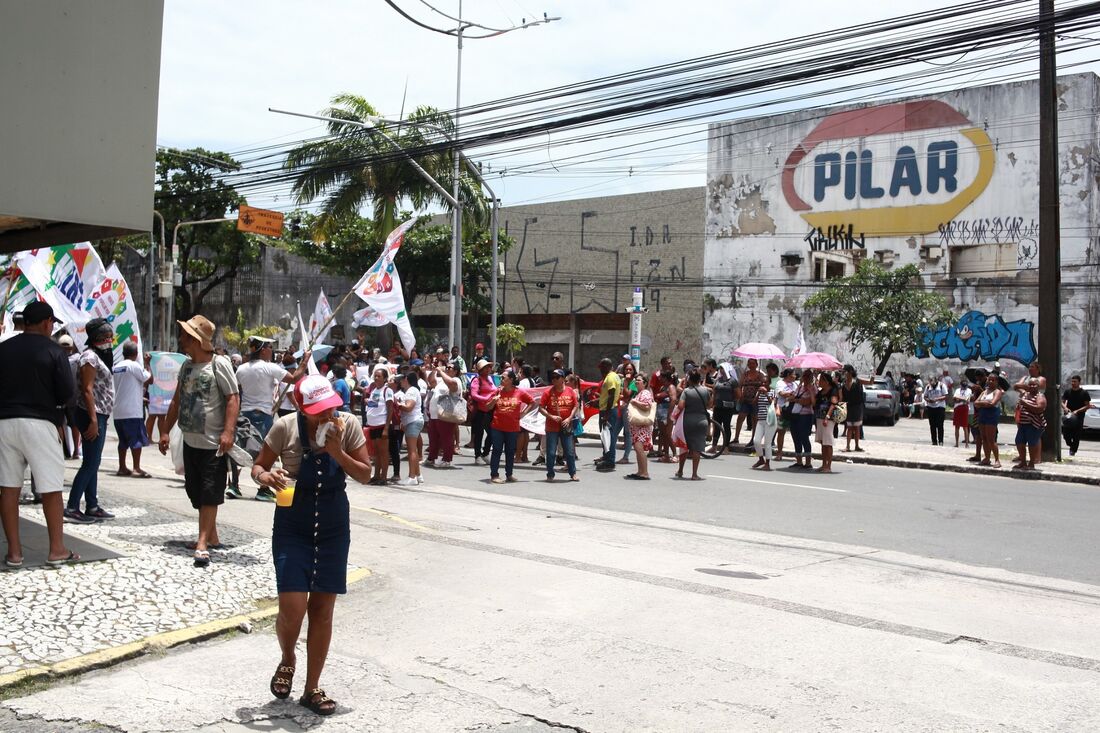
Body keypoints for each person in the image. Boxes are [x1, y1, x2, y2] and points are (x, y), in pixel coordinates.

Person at [251, 374, 372, 716]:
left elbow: (365, 473)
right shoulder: (284, 428)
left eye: (330, 409)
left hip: (333, 525)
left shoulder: (347, 426)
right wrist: (266, 477)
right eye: (318, 411)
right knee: (292, 609)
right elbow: (257, 466)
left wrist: (338, 453)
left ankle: (311, 687)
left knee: (322, 610)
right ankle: (288, 656)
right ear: (301, 408)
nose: (326, 417)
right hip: (293, 524)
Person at [1, 302, 84, 567]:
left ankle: (14, 553)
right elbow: (68, 394)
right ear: (47, 322)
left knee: (9, 489)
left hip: (5, 423)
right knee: (50, 488)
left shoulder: (3, 349)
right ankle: (56, 549)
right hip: (41, 422)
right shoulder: (53, 350)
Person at [158, 315, 240, 567]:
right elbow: (176, 400)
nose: (180, 338)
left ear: (195, 339)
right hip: (190, 440)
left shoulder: (220, 364)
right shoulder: (186, 366)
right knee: (195, 492)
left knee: (209, 494)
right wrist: (164, 430)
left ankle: (202, 542)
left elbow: (232, 398)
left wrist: (228, 432)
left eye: (184, 335)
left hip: (213, 444)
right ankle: (212, 535)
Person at [233, 337, 306, 501]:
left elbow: (236, 389)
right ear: (263, 349)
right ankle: (263, 489)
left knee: (240, 449)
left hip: (244, 413)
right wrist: (305, 362)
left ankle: (233, 485)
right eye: (270, 347)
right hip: (263, 414)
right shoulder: (270, 368)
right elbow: (294, 378)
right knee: (266, 452)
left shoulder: (241, 369)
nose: (272, 351)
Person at [66, 318, 117, 522]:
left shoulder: (99, 355)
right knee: (90, 463)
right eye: (106, 337)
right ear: (97, 338)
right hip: (91, 414)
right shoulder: (89, 357)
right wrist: (94, 420)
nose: (110, 340)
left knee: (93, 462)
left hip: (99, 413)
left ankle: (92, 504)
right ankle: (72, 506)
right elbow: (87, 390)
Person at [111, 342, 153, 478]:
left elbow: (127, 387)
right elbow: (150, 379)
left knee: (122, 441)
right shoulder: (134, 366)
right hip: (132, 411)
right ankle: (136, 468)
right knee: (136, 440)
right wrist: (148, 364)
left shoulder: (116, 367)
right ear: (136, 354)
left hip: (118, 411)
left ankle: (122, 467)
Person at [487, 369, 534, 484]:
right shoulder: (497, 391)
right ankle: (494, 475)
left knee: (510, 451)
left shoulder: (519, 392)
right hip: (497, 426)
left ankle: (509, 474)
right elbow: (488, 407)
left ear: (511, 380)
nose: (501, 380)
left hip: (512, 428)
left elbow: (532, 402)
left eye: (503, 378)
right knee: (497, 450)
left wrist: (523, 413)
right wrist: (493, 401)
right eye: (500, 378)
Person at [538, 369, 580, 482]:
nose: (554, 379)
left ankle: (573, 473)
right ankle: (550, 474)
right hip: (552, 427)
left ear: (562, 379)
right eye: (553, 377)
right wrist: (551, 417)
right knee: (551, 452)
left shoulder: (570, 391)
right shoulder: (548, 392)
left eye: (557, 377)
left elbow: (576, 405)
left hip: (566, 426)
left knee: (570, 452)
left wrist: (569, 418)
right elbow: (540, 408)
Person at [674, 369, 711, 480]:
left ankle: (680, 470)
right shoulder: (705, 391)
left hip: (688, 421)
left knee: (684, 447)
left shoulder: (686, 391)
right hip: (702, 421)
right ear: (700, 379)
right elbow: (709, 405)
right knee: (697, 449)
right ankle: (694, 474)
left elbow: (680, 406)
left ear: (689, 379)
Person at [360, 366, 393, 486]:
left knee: (383, 452)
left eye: (379, 376)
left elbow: (390, 408)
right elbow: (375, 405)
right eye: (375, 376)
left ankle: (383, 477)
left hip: (381, 425)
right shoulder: (374, 390)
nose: (376, 378)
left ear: (385, 378)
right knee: (376, 453)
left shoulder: (387, 390)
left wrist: (386, 428)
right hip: (372, 425)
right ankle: (376, 475)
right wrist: (368, 401)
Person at [395, 371, 424, 486]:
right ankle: (418, 475)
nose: (400, 382)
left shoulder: (411, 391)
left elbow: (409, 407)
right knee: (413, 450)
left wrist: (398, 404)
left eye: (402, 379)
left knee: (411, 450)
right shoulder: (411, 391)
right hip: (412, 421)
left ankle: (412, 477)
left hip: (413, 421)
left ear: (406, 379)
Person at [625, 373, 654, 480]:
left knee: (639, 449)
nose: (636, 381)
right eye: (636, 380)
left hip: (642, 427)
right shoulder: (639, 393)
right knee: (638, 449)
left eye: (639, 380)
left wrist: (635, 402)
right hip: (638, 427)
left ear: (645, 383)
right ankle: (640, 471)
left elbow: (647, 406)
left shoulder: (645, 393)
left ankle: (644, 472)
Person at [595, 358, 622, 472]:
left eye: (601, 367)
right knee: (606, 436)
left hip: (608, 411)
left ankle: (610, 461)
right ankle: (606, 457)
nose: (600, 370)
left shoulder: (610, 377)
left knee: (608, 436)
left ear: (606, 366)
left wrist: (606, 413)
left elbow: (611, 395)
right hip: (609, 409)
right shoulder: (614, 376)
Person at [469, 359, 498, 465]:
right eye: (485, 368)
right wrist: (486, 399)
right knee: (479, 434)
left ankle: (485, 453)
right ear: (480, 370)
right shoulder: (477, 380)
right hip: (480, 411)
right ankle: (477, 455)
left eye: (489, 367)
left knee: (492, 433)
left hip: (491, 410)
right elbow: (474, 395)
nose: (488, 369)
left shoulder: (490, 379)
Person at [1015, 377, 1047, 470]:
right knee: (1019, 442)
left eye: (1034, 384)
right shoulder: (1025, 394)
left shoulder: (1040, 396)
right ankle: (1023, 462)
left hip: (1034, 424)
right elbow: (1016, 387)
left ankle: (1031, 463)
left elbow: (1039, 408)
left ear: (1038, 386)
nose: (1032, 386)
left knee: (1032, 444)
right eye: (1030, 384)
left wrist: (1025, 404)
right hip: (1023, 424)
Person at [974, 373, 1004, 468]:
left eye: (993, 380)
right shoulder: (984, 392)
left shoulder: (997, 391)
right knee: (984, 438)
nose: (990, 381)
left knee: (991, 439)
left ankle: (997, 460)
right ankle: (987, 458)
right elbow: (975, 403)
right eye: (989, 380)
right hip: (982, 415)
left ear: (996, 382)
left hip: (991, 416)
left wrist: (982, 403)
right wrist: (985, 403)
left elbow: (992, 403)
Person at [789, 369, 817, 470]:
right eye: (804, 376)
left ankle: (808, 462)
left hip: (806, 415)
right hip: (796, 414)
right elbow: (791, 397)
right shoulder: (800, 387)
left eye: (807, 376)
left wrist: (799, 400)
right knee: (795, 437)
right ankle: (799, 461)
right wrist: (799, 400)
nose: (805, 378)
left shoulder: (813, 388)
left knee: (804, 437)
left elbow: (809, 402)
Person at [733, 358, 765, 444]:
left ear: (756, 365)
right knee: (740, 418)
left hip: (756, 400)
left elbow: (764, 386)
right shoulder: (745, 374)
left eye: (753, 363)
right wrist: (740, 396)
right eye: (749, 363)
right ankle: (736, 437)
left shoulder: (760, 375)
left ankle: (753, 439)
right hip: (745, 400)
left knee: (754, 420)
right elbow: (739, 385)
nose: (751, 365)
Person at [813, 372, 839, 473]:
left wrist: (827, 417)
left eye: (822, 380)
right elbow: (815, 403)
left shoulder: (833, 391)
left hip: (828, 419)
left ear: (826, 381)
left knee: (828, 442)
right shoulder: (821, 392)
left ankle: (828, 465)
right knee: (823, 442)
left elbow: (833, 404)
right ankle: (823, 464)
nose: (820, 382)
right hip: (819, 418)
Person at [710, 363, 737, 455]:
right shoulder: (718, 380)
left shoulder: (732, 381)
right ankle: (714, 446)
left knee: (726, 426)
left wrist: (731, 400)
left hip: (727, 408)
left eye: (722, 368)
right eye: (720, 368)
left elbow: (737, 394)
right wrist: (712, 403)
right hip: (718, 406)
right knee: (717, 426)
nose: (720, 370)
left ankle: (726, 447)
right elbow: (714, 392)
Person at [1061, 375, 1092, 457]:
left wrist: (1077, 411)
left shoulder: (1084, 393)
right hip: (1069, 415)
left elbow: (1087, 405)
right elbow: (1062, 401)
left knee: (1076, 435)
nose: (1073, 383)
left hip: (1079, 417)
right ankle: (1070, 445)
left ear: (1079, 382)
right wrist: (1065, 408)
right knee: (1066, 434)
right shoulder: (1068, 391)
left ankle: (1073, 450)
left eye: (1075, 381)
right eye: (1072, 381)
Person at [750, 380, 777, 471]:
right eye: (762, 383)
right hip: (761, 420)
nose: (763, 384)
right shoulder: (759, 392)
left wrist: (766, 393)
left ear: (769, 384)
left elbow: (772, 403)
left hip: (770, 420)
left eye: (765, 383)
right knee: (756, 441)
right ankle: (761, 459)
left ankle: (768, 463)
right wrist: (758, 394)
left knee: (767, 443)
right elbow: (753, 403)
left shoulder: (772, 392)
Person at [615, 362, 638, 464]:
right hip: (621, 408)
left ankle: (626, 457)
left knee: (628, 433)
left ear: (633, 371)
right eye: (626, 369)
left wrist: (625, 384)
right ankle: (609, 453)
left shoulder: (634, 382)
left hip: (629, 409)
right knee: (614, 431)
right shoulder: (622, 380)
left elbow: (627, 394)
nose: (628, 371)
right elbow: (620, 394)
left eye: (630, 370)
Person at [839, 365, 865, 453]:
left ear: (850, 371)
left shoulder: (857, 381)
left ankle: (857, 446)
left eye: (845, 371)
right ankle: (848, 446)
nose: (844, 373)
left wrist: (873, 375)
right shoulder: (843, 383)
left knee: (857, 427)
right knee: (849, 427)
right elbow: (841, 397)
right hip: (849, 407)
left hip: (857, 407)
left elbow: (871, 382)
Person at [774, 368, 797, 461]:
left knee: (795, 433)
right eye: (794, 374)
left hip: (793, 409)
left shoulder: (795, 384)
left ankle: (797, 453)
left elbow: (797, 395)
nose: (795, 376)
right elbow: (781, 393)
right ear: (788, 375)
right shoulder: (780, 383)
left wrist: (792, 395)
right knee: (781, 432)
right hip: (783, 409)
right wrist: (790, 394)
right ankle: (779, 453)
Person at [924, 374, 948, 446]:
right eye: (931, 383)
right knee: (932, 425)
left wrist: (937, 399)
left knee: (940, 424)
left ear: (936, 381)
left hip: (940, 407)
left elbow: (945, 396)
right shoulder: (928, 387)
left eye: (934, 384)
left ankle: (941, 441)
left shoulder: (942, 385)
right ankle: (934, 441)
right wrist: (928, 400)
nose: (932, 386)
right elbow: (925, 396)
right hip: (931, 407)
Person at [951, 379, 973, 448]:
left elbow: (967, 399)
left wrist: (959, 399)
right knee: (957, 426)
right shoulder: (958, 390)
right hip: (957, 407)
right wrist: (961, 399)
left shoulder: (969, 390)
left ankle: (966, 443)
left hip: (964, 407)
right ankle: (957, 443)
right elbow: (954, 398)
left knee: (965, 426)